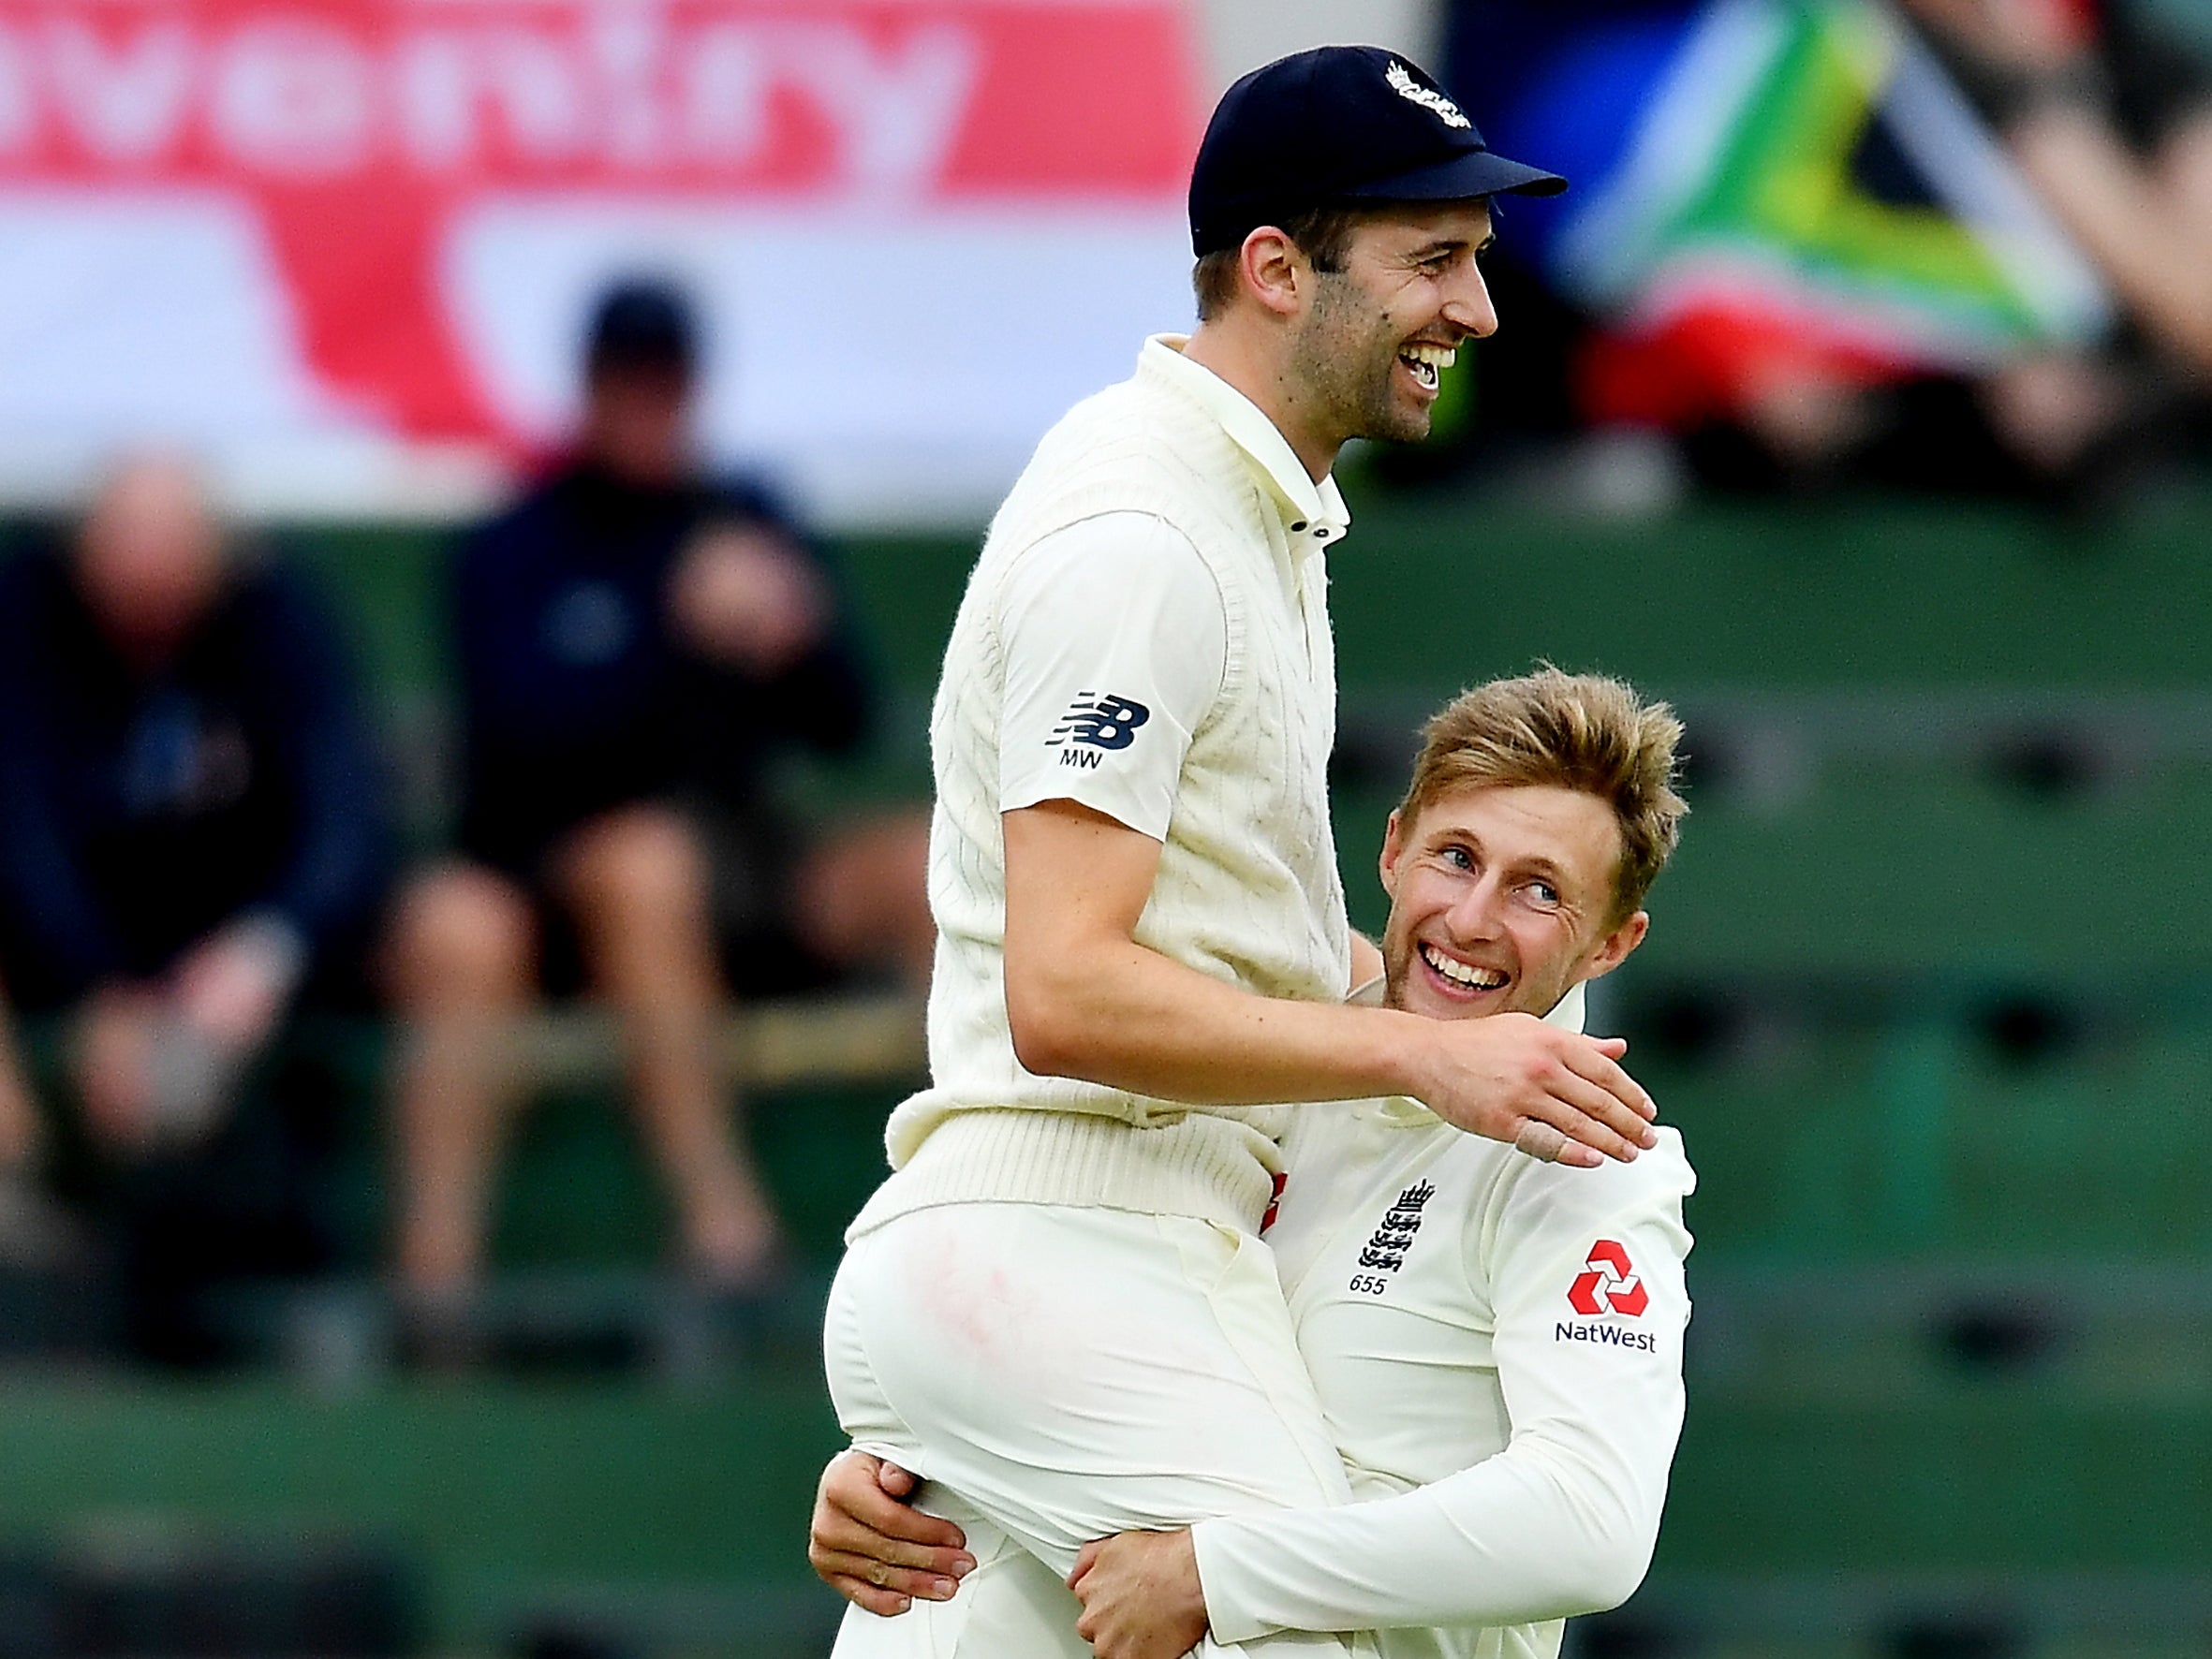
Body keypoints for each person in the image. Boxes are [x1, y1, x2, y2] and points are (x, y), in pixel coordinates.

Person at [822, 47, 1661, 1659]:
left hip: (1058, 1278)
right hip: (1072, 1255)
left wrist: (944, 1419)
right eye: (1435, 260)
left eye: (1475, 263)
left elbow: (1243, 957)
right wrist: (1417, 1058)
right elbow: (1063, 994)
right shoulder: (1145, 533)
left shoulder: (1233, 517)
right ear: (1275, 271)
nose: (1477, 312)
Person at [812, 669, 1694, 1659]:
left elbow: (1590, 1522)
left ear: (1612, 944)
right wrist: (920, 1455)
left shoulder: (1590, 1162)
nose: (1474, 919)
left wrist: (1214, 1572)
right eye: (1456, 856)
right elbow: (1104, 1322)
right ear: (1393, 847)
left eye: (1539, 889)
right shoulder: (1265, 1062)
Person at [384, 278, 932, 1312]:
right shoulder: (513, 547)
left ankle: (973, 1207)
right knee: (646, 865)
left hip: (748, 862)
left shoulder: (747, 517)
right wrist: (671, 631)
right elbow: (519, 746)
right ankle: (722, 1227)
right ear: (586, 388)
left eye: (665, 381)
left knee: (928, 858)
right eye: (624, 380)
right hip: (568, 887)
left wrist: (795, 631)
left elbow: (845, 718)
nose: (646, 403)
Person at [0, 453, 389, 1360]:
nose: (146, 583)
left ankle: (412, 1305)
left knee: (450, 930)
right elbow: (17, 825)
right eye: (124, 551)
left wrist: (264, 951)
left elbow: (348, 819)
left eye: (169, 553)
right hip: (69, 966)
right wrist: (101, 986)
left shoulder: (280, 616)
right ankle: (19, 1222)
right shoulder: (27, 617)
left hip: (257, 965)